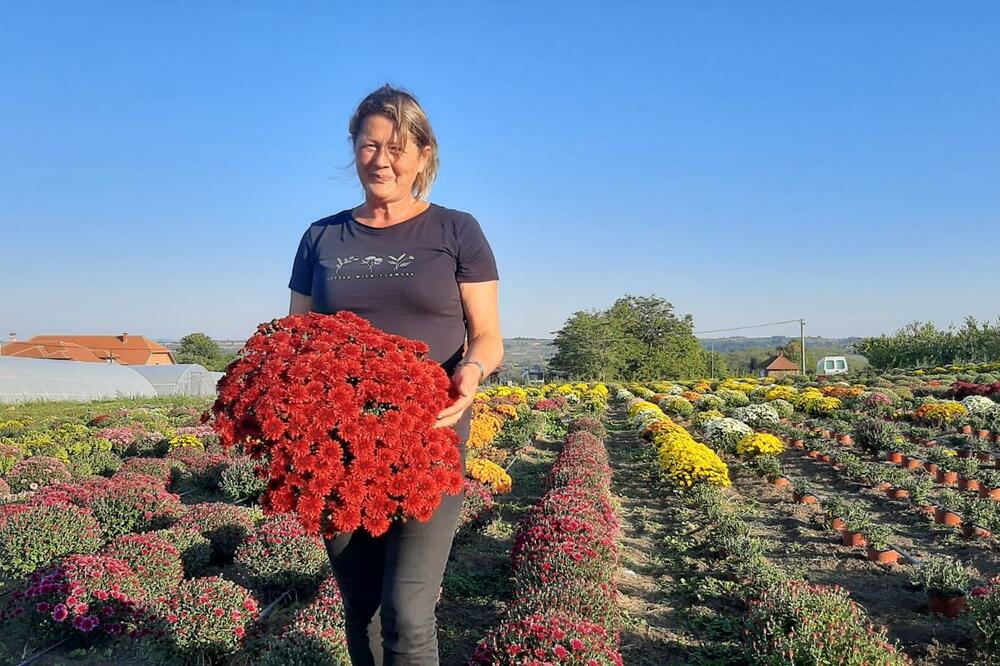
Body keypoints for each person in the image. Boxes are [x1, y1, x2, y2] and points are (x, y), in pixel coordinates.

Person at [286, 84, 503, 665]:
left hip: (429, 436)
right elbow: (294, 339)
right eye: (369, 144)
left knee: (407, 614)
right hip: (335, 448)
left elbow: (486, 334)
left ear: (424, 155)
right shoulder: (321, 237)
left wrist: (473, 371)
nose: (381, 159)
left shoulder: (456, 231)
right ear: (353, 149)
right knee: (361, 607)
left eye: (398, 147)